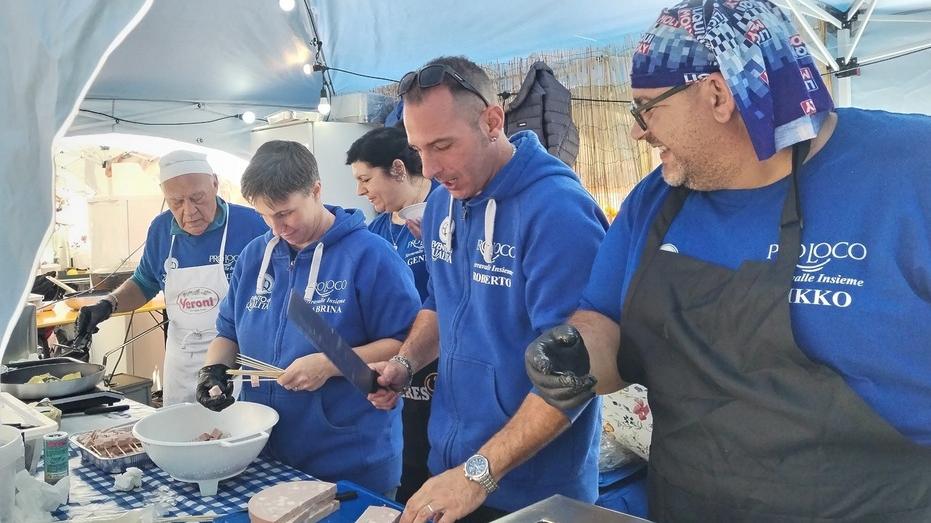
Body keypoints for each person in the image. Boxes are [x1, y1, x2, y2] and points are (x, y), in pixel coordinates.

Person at [526, 1, 931, 521]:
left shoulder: (910, 170)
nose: (637, 131)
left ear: (717, 94)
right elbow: (603, 321)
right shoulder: (655, 200)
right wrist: (574, 358)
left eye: (647, 108)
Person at [368, 56, 609, 523]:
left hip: (536, 492)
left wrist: (477, 475)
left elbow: (576, 373)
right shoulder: (442, 204)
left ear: (492, 122)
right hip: (452, 472)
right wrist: (406, 362)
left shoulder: (558, 212)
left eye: (443, 145)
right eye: (419, 149)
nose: (430, 168)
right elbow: (440, 304)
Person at [195, 140, 421, 495]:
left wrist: (330, 364)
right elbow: (228, 332)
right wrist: (213, 370)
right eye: (265, 215)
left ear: (316, 191)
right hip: (263, 454)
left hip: (350, 461)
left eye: (286, 213)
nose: (277, 227)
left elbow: (406, 344)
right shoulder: (255, 256)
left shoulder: (371, 255)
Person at [75, 150, 268, 405]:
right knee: (181, 427)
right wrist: (108, 304)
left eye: (197, 198)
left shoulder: (254, 225)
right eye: (176, 202)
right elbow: (144, 282)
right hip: (182, 363)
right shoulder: (160, 229)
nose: (189, 211)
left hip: (236, 363)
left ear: (215, 183)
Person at [346, 126, 439, 503]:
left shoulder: (448, 211)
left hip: (442, 367)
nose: (360, 191)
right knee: (409, 468)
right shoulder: (377, 231)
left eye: (366, 179)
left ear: (398, 169)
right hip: (396, 371)